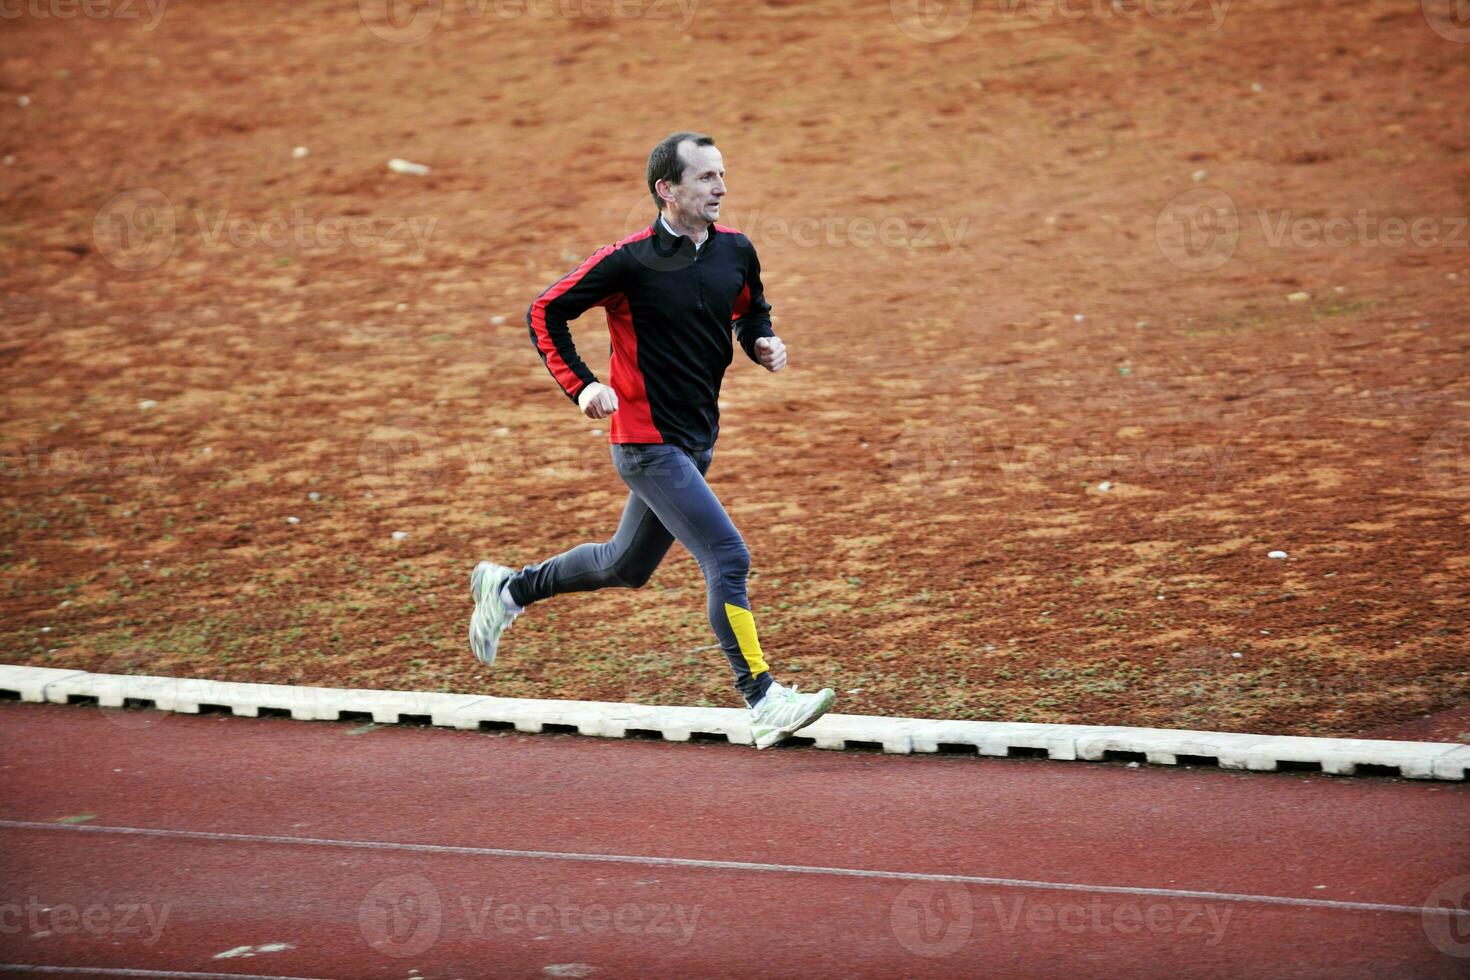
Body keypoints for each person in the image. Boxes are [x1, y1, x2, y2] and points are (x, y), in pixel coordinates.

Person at [469, 131, 834, 749]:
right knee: (728, 557)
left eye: (722, 175)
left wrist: (761, 343)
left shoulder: (735, 252)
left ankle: (511, 588)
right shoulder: (629, 261)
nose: (720, 187)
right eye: (705, 178)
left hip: (696, 439)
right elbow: (545, 310)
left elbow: (750, 310)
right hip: (644, 441)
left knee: (626, 565)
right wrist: (582, 386)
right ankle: (763, 696)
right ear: (667, 190)